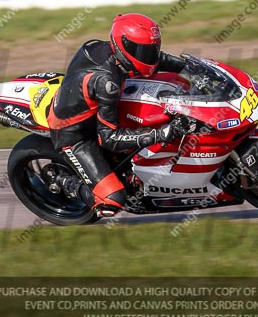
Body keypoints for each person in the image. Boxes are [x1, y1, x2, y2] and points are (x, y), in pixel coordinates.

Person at [47, 12, 192, 216]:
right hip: (75, 134)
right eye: (142, 51)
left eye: (152, 49)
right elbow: (109, 139)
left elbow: (156, 61)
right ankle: (65, 182)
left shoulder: (105, 49)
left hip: (92, 105)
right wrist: (162, 134)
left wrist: (189, 66)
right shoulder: (107, 84)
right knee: (112, 202)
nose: (149, 56)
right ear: (124, 46)